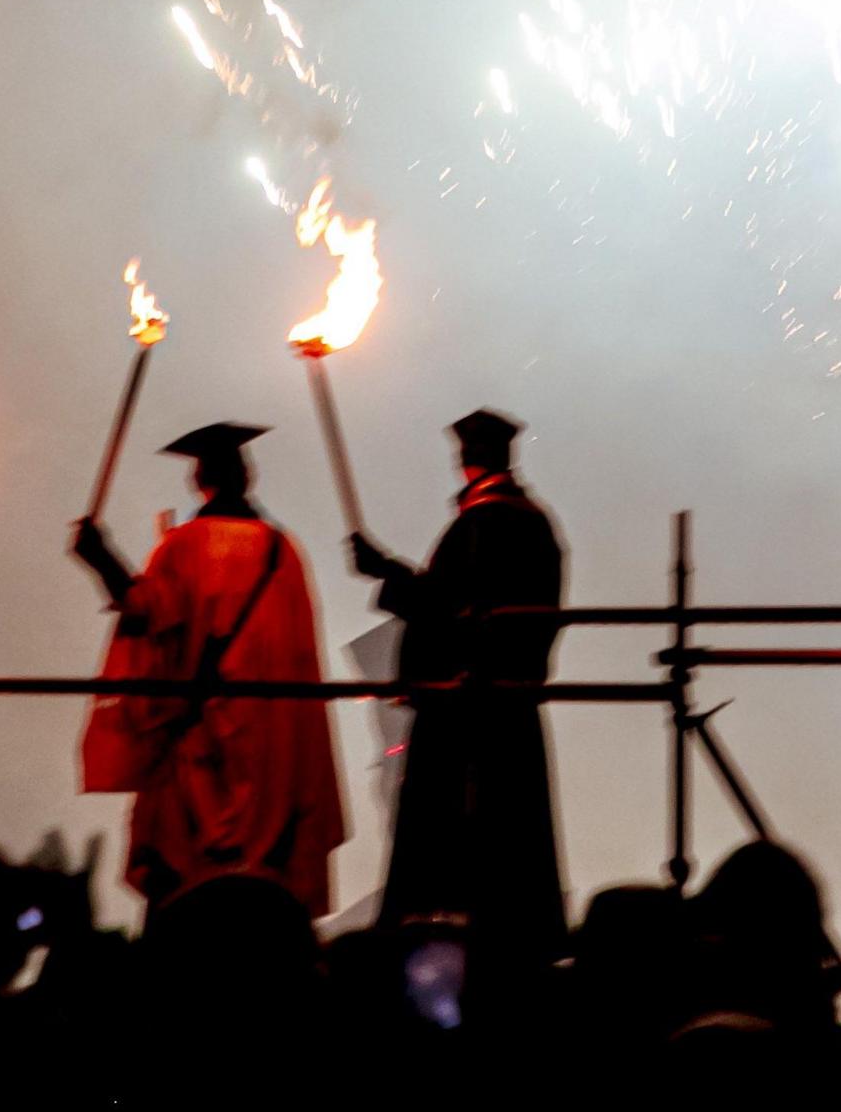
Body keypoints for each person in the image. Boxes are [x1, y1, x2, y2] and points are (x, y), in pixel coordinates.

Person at [72, 422, 350, 916]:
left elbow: (145, 613)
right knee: (261, 884)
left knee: (188, 874)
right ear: (248, 477)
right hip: (274, 750)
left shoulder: (185, 546)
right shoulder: (282, 552)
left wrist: (101, 558)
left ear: (199, 481)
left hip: (201, 742)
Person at [348, 407, 569, 951]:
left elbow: (450, 609)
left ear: (465, 461)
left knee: (450, 837)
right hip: (511, 707)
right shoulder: (536, 522)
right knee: (514, 842)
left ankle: (430, 936)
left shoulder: (482, 521)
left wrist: (388, 572)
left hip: (464, 712)